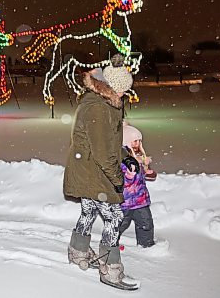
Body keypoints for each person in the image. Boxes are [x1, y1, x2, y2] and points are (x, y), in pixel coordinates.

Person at [64, 54, 141, 290]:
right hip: (93, 170)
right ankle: (110, 269)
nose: (124, 96)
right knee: (114, 217)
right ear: (111, 88)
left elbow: (108, 142)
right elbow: (101, 151)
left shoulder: (105, 103)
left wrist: (126, 156)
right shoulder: (98, 108)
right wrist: (117, 180)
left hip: (88, 167)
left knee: (88, 210)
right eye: (122, 91)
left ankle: (78, 251)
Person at [119, 124, 156, 248]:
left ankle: (146, 245)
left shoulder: (139, 157)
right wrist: (129, 175)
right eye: (135, 141)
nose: (138, 143)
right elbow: (121, 180)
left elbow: (144, 176)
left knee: (146, 223)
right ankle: (110, 244)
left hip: (140, 200)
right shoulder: (122, 159)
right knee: (120, 224)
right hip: (125, 201)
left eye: (139, 141)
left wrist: (147, 171)